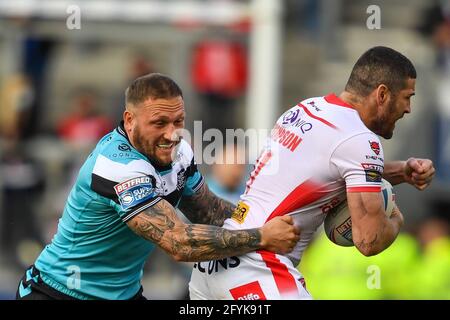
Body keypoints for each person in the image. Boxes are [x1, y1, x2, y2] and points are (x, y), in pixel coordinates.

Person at [15, 73, 300, 300]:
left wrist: (270, 216)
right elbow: (178, 243)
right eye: (159, 123)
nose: (171, 133)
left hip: (123, 295)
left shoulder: (180, 152)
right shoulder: (118, 166)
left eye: (178, 121)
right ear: (130, 120)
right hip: (60, 292)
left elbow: (210, 212)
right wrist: (262, 236)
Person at [189, 46, 436, 300]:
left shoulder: (307, 109)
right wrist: (394, 216)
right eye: (407, 97)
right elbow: (368, 240)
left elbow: (340, 169)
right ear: (382, 94)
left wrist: (402, 171)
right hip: (259, 267)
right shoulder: (361, 140)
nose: (408, 108)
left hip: (215, 265)